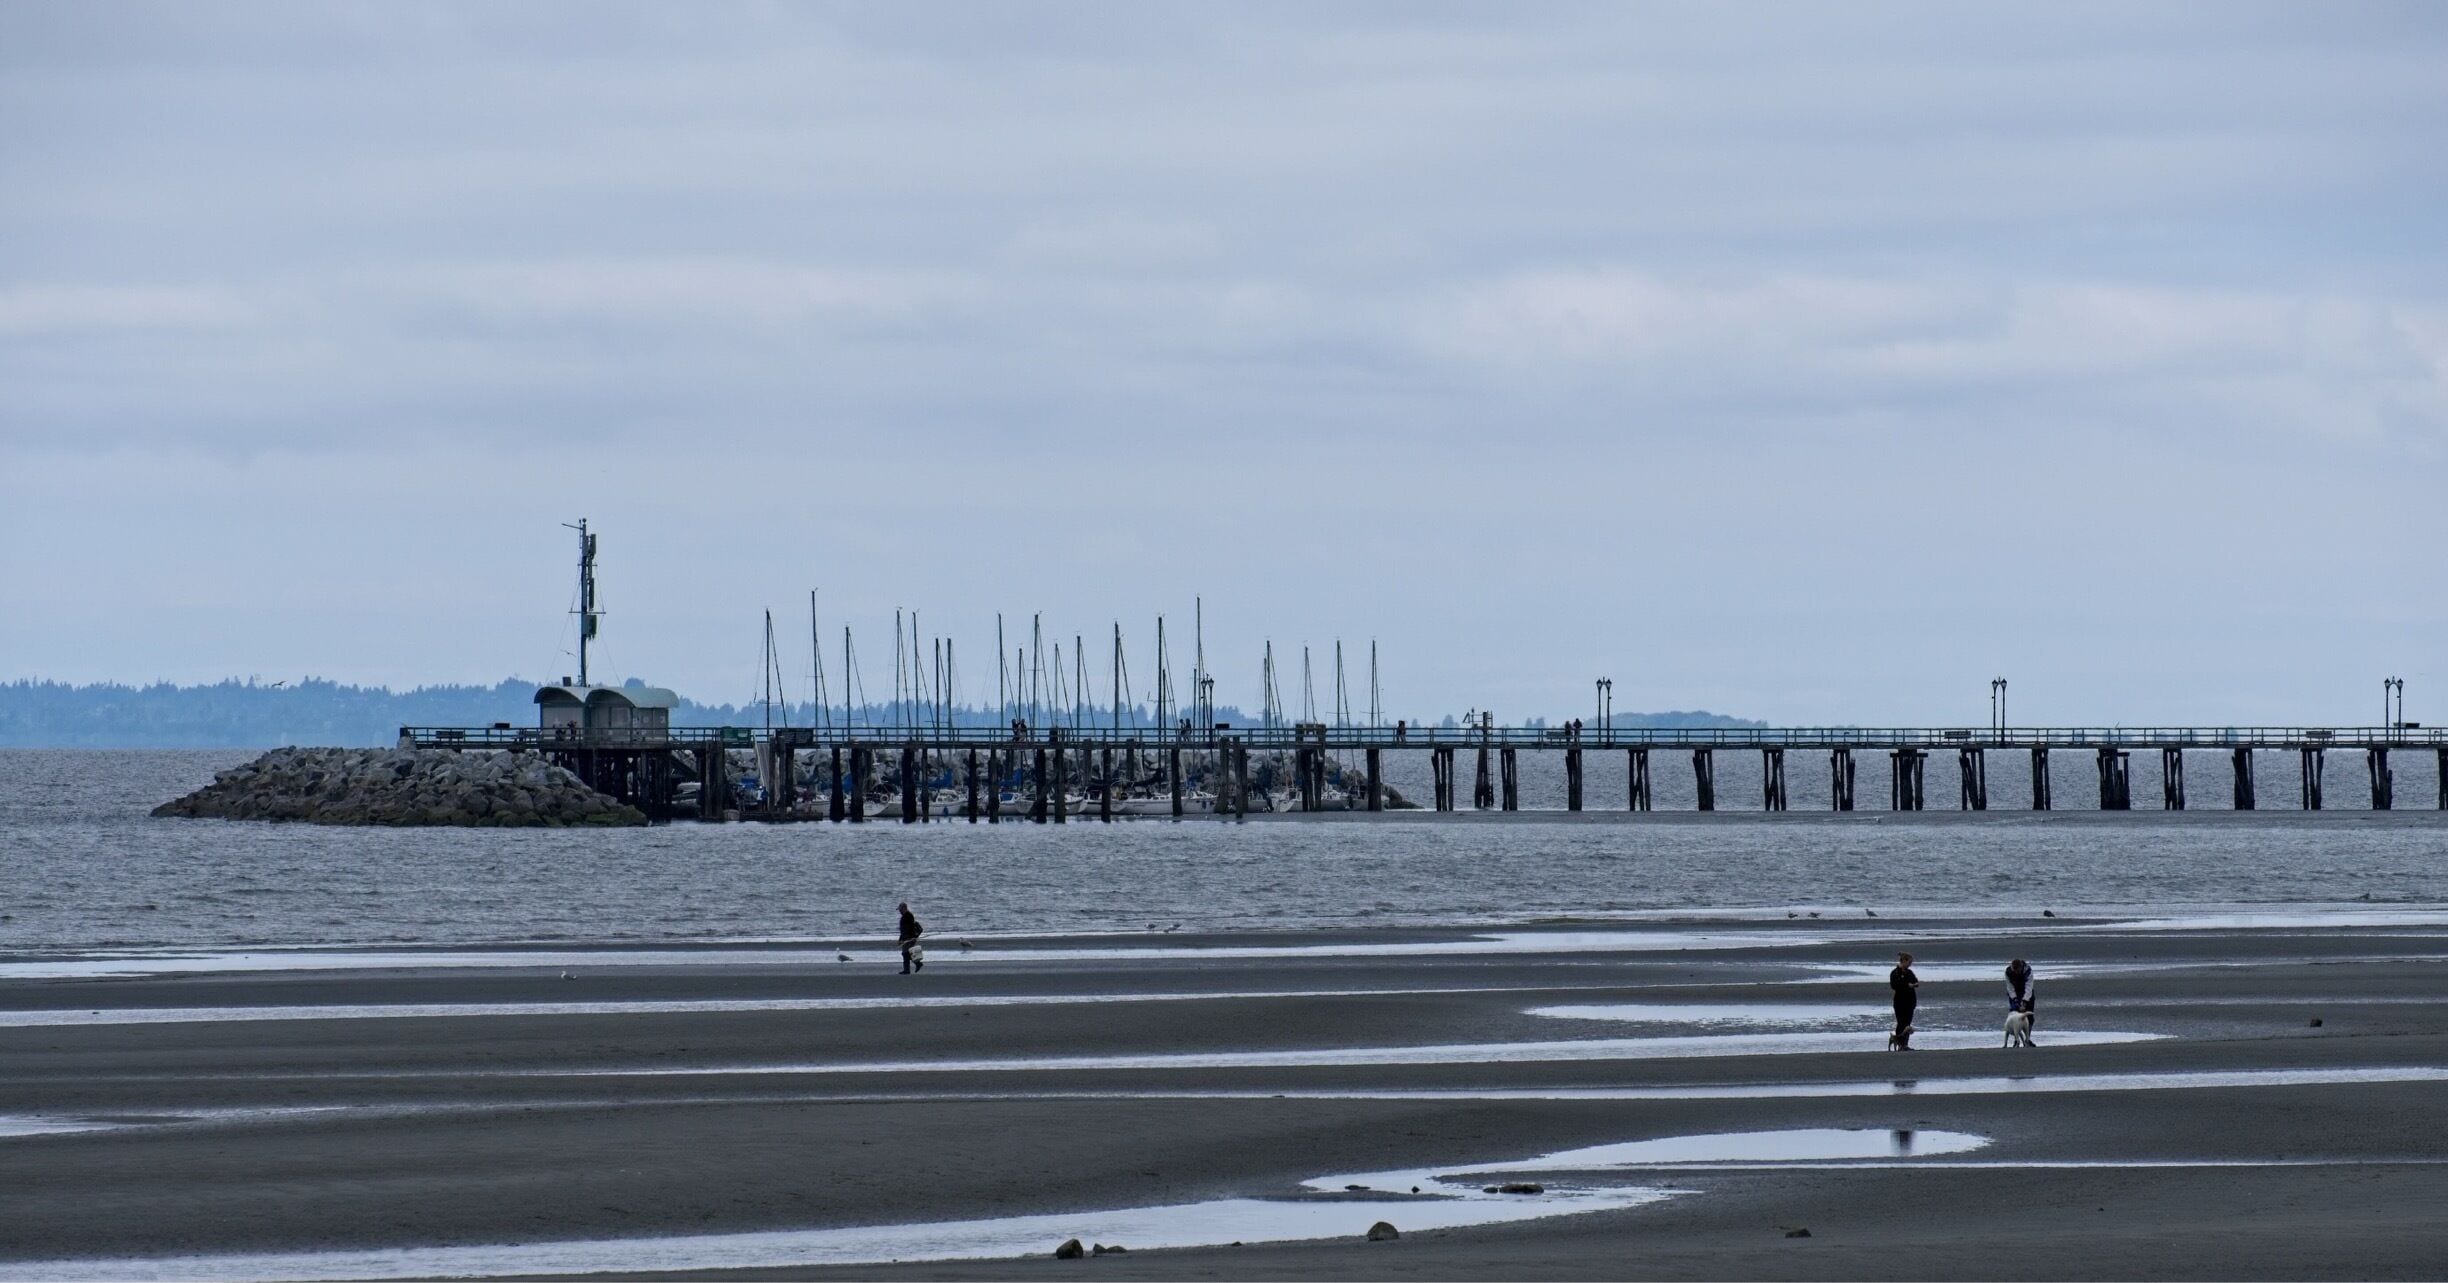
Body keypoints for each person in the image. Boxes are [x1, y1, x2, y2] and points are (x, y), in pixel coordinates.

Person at [1889, 952, 1919, 1049]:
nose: (1910, 964)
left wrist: (1914, 984)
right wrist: (1906, 985)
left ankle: (1905, 1044)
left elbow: (1916, 981)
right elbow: (1894, 985)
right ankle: (1900, 1043)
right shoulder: (1895, 973)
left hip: (1910, 1002)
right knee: (1901, 1023)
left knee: (1907, 1024)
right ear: (1904, 961)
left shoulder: (1910, 972)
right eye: (1909, 962)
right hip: (1899, 1002)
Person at [2005, 957, 2037, 1040]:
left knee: (2029, 1016)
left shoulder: (2028, 971)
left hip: (2027, 992)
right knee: (2015, 1016)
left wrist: (2024, 1002)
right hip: (2015, 992)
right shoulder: (2008, 972)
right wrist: (2015, 1001)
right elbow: (2010, 988)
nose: (2016, 973)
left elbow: (2029, 987)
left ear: (2021, 967)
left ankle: (2028, 1038)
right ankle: (2016, 1039)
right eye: (2015, 971)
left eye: (2018, 971)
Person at [897, 901, 925, 974]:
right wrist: (901, 939)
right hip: (906, 938)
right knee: (906, 953)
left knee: (906, 953)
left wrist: (911, 937)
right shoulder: (905, 916)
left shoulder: (908, 916)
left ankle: (908, 969)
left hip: (909, 938)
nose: (899, 911)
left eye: (900, 909)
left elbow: (909, 928)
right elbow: (903, 930)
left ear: (904, 908)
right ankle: (917, 964)